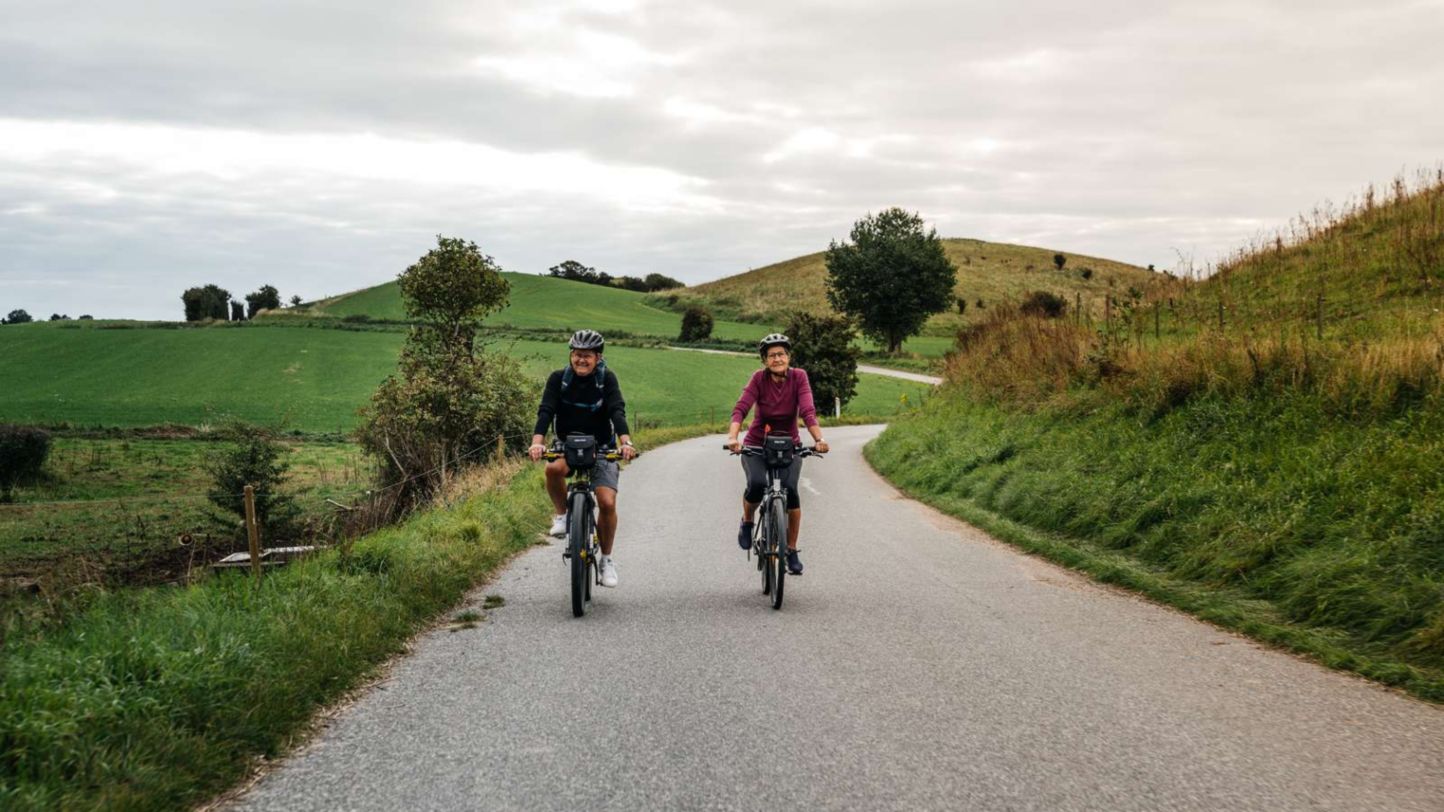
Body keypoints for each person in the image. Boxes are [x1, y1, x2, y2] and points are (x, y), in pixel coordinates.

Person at [529, 329, 637, 587]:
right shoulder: (558, 379)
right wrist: (537, 443)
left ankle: (606, 561)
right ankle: (563, 516)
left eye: (587, 356)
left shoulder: (606, 379)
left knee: (607, 502)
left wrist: (626, 442)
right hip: (566, 444)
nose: (581, 360)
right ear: (571, 355)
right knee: (553, 470)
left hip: (601, 446)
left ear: (598, 358)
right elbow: (546, 411)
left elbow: (616, 411)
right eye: (577, 355)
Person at [725, 333, 829, 576]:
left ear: (788, 356)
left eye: (781, 354)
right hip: (757, 445)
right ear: (764, 360)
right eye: (771, 355)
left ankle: (791, 550)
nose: (777, 358)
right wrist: (733, 438)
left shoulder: (799, 377)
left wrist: (819, 439)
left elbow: (807, 411)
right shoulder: (758, 380)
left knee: (791, 492)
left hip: (789, 445)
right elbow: (741, 409)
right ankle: (748, 522)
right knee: (756, 484)